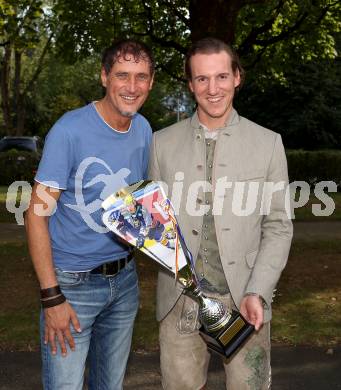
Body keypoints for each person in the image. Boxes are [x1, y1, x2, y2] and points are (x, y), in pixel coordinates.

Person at [148, 37, 293, 390]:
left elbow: (278, 226)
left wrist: (257, 291)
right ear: (190, 84)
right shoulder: (161, 143)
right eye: (201, 79)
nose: (212, 89)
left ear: (237, 77)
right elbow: (156, 223)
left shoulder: (268, 143)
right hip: (179, 302)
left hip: (245, 300)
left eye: (221, 77)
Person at [25, 39, 154, 390]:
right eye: (122, 75)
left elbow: (134, 202)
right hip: (71, 286)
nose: (132, 86)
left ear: (151, 82)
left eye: (141, 77)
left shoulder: (143, 129)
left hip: (124, 282)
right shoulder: (70, 130)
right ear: (104, 77)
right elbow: (36, 216)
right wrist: (52, 297)